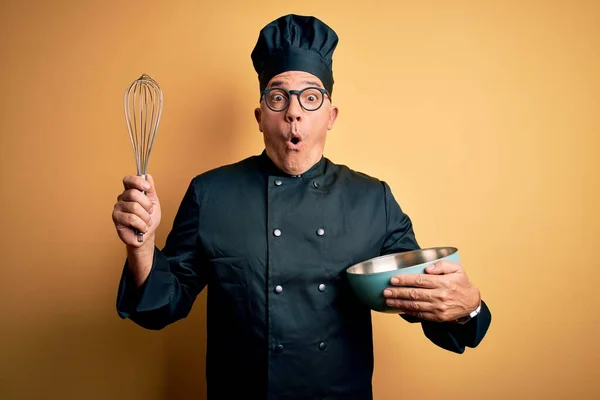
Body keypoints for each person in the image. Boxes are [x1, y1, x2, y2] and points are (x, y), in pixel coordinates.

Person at [112, 14, 491, 400]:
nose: (293, 111)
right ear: (261, 117)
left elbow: (423, 299)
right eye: (278, 97)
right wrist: (141, 248)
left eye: (310, 98)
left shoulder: (371, 198)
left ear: (331, 116)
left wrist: (467, 307)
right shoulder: (210, 193)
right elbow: (161, 308)